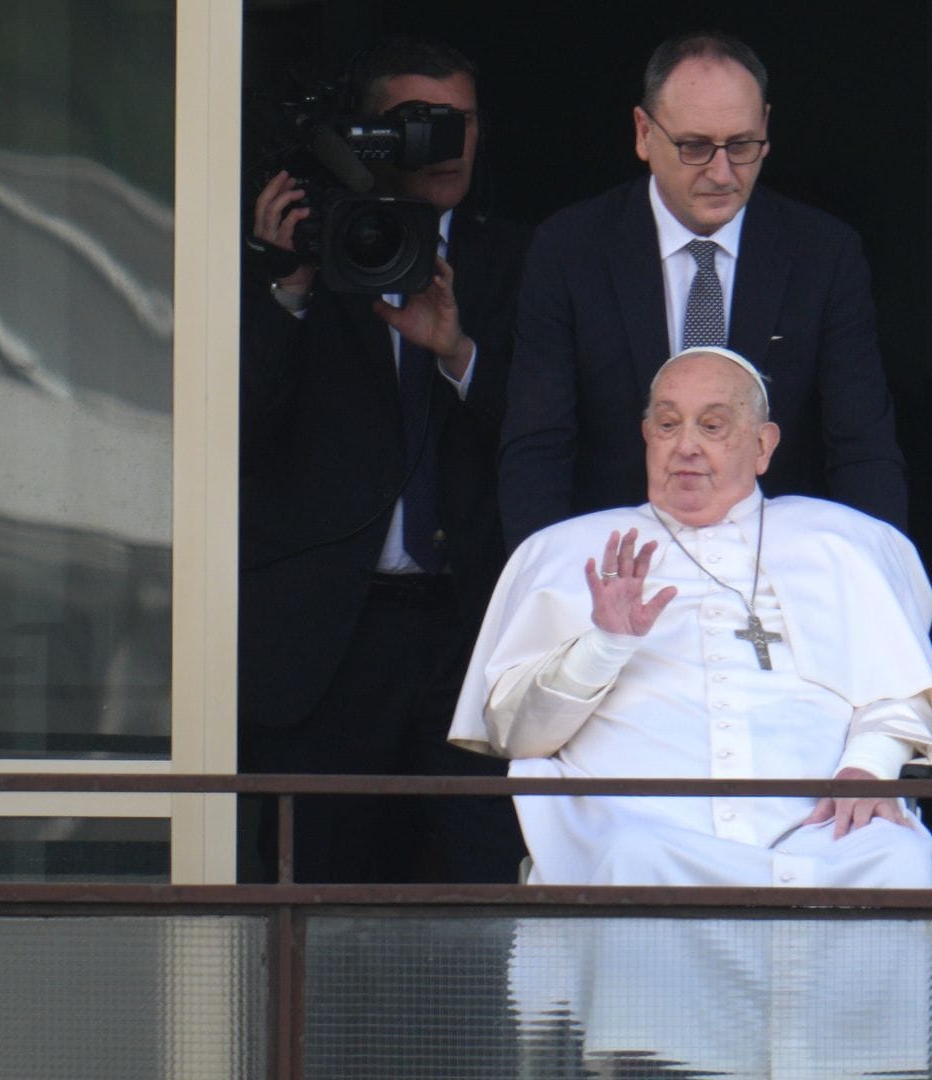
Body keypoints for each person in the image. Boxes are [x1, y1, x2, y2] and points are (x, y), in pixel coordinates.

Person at [455, 345, 932, 1076]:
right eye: (668, 423)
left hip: (818, 838)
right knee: (634, 862)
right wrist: (604, 643)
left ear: (763, 444)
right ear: (645, 436)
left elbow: (898, 693)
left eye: (713, 426)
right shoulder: (567, 552)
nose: (686, 447)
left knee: (897, 855)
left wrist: (867, 768)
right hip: (655, 839)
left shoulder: (843, 544)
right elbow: (514, 732)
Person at [237, 35, 527, 883]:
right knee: (309, 903)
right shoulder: (313, 255)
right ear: (367, 139)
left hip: (473, 640)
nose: (448, 144)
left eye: (463, 123)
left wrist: (458, 351)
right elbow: (236, 438)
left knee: (487, 904)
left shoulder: (523, 259)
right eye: (419, 124)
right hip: (331, 645)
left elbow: (549, 437)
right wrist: (284, 283)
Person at [497, 31, 909, 551]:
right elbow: (539, 448)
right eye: (694, 147)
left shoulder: (824, 254)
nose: (721, 173)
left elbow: (861, 448)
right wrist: (545, 592)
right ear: (644, 134)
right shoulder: (569, 250)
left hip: (777, 568)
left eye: (741, 145)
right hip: (612, 566)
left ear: (766, 129)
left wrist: (878, 584)